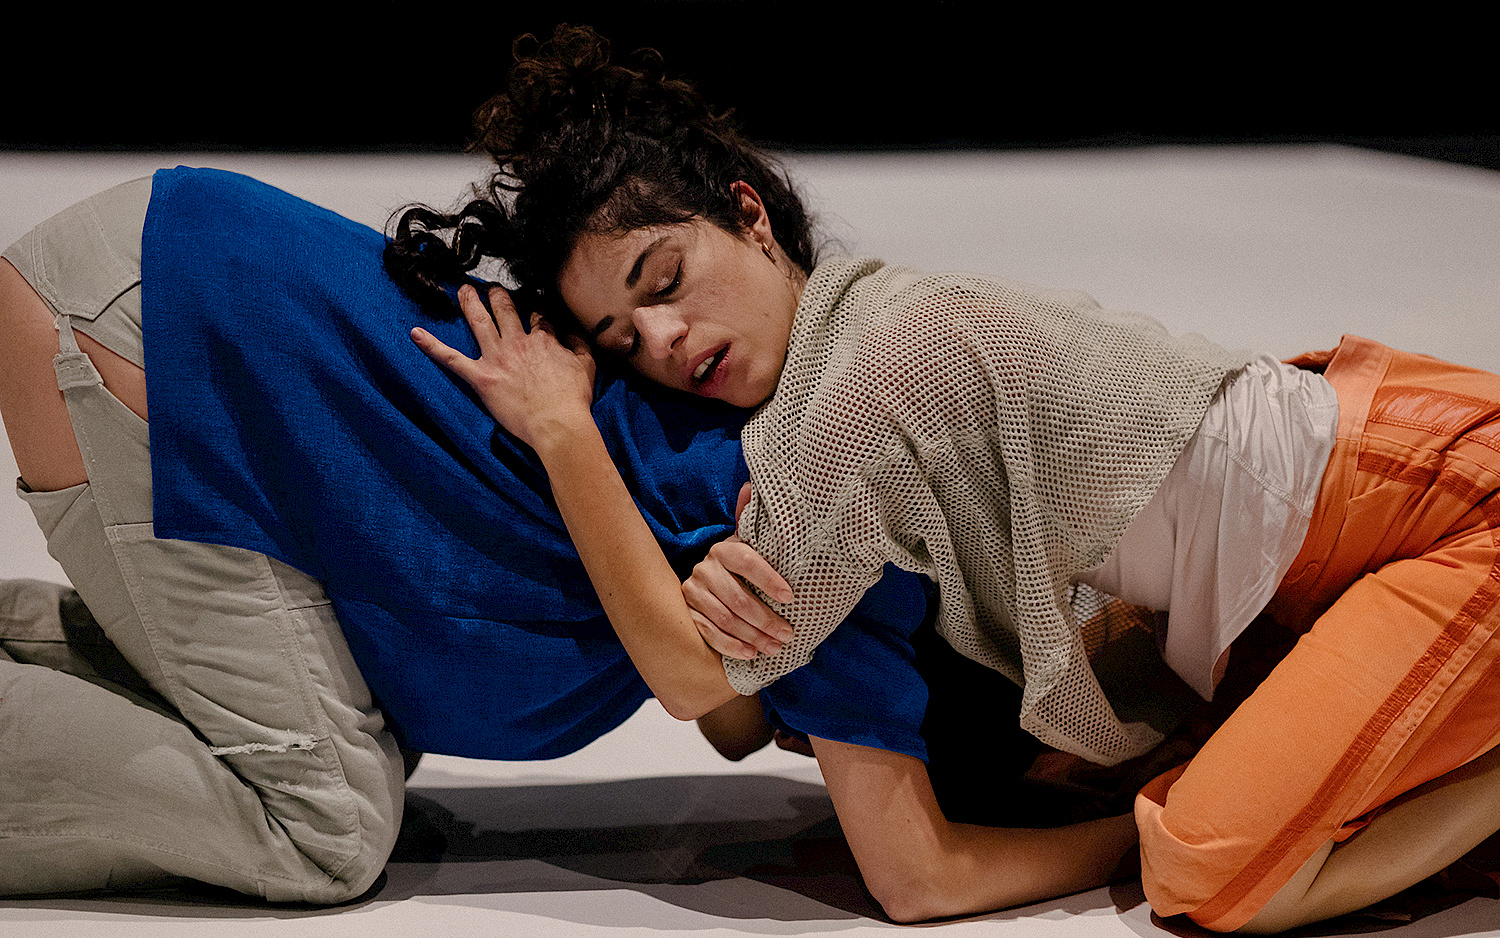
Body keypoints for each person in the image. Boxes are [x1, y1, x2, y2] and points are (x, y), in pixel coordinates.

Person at [394, 24, 1500, 931]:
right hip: (1339, 537)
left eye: (665, 277)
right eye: (623, 339)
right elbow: (737, 717)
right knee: (1107, 779)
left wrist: (564, 430)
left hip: (1449, 503)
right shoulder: (829, 371)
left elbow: (696, 685)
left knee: (1203, 865)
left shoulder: (874, 371)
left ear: (748, 212)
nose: (666, 339)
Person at [0, 166, 1147, 911]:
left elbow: (735, 717)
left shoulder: (819, 429)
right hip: (158, 334)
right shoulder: (851, 549)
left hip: (161, 280)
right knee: (326, 824)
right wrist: (1130, 838)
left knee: (342, 741)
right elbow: (916, 873)